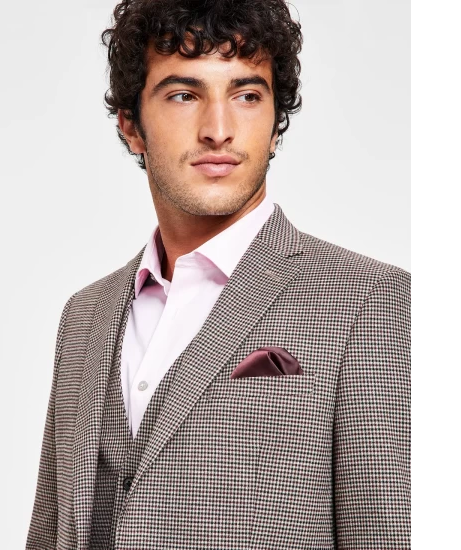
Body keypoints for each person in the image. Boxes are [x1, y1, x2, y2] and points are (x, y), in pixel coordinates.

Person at [26, 0, 411, 548]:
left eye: (247, 95)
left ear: (275, 125)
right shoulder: (84, 315)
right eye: (184, 95)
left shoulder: (372, 301)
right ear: (131, 126)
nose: (219, 130)